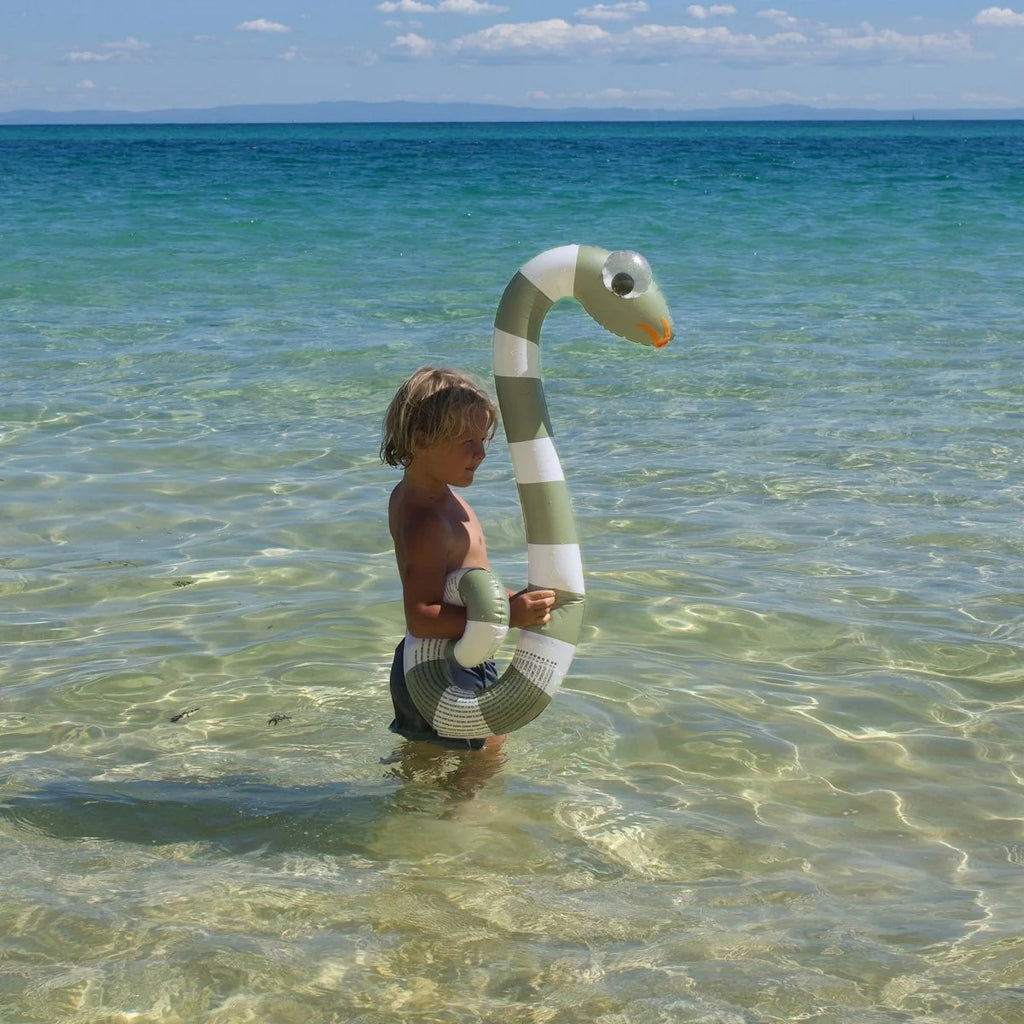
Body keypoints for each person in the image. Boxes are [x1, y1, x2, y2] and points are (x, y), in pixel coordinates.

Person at [380, 366, 557, 750]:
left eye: (482, 439)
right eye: (466, 441)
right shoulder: (428, 520)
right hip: (445, 664)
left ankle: (409, 812)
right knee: (483, 764)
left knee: (424, 762)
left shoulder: (427, 497)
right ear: (421, 439)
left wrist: (513, 600)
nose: (479, 452)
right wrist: (513, 616)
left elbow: (463, 583)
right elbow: (422, 617)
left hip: (433, 659)